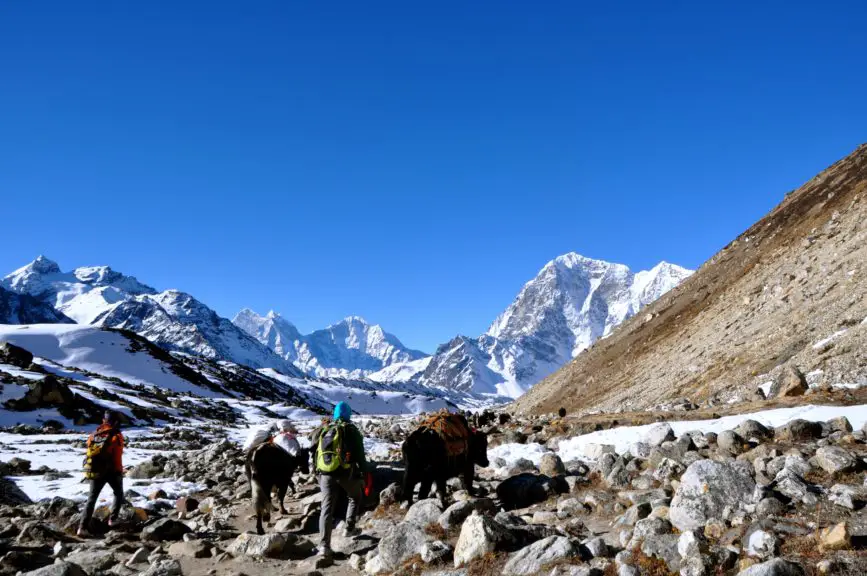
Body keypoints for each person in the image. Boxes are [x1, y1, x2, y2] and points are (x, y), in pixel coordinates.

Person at [312, 401, 370, 558]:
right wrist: (366, 472)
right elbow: (360, 457)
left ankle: (324, 546)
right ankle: (349, 528)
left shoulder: (326, 429)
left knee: (326, 508)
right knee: (354, 497)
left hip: (325, 473)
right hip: (346, 473)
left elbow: (315, 452)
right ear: (348, 414)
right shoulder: (351, 430)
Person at [78, 410, 125, 537]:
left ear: (104, 420)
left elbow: (89, 449)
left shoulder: (94, 434)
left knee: (91, 499)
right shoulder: (116, 435)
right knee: (118, 494)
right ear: (115, 421)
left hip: (95, 470)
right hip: (112, 471)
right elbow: (117, 454)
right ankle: (113, 519)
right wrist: (119, 470)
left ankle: (82, 527)